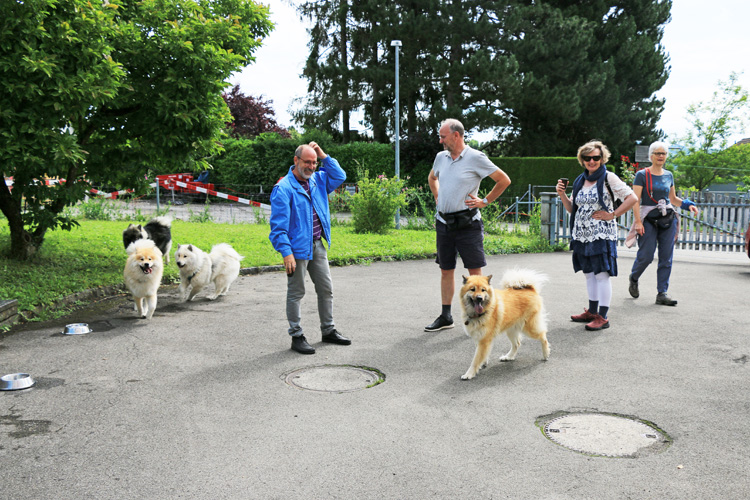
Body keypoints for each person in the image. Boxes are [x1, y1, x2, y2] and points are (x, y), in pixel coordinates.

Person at [424, 118, 512, 332]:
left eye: (443, 136)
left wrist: (485, 201)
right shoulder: (441, 157)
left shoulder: (475, 157)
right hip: (444, 223)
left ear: (456, 135)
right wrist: (438, 197)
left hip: (468, 224)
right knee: (446, 269)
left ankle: (481, 316)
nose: (440, 140)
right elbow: (432, 178)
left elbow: (504, 180)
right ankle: (446, 316)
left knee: (475, 274)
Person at [269, 142, 351, 354]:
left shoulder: (318, 180)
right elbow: (278, 229)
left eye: (314, 162)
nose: (312, 166)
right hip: (296, 250)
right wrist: (286, 253)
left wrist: (324, 155)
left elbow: (340, 176)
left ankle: (328, 330)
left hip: (317, 245)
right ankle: (296, 336)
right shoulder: (283, 189)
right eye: (307, 162)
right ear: (296, 161)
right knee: (296, 292)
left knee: (326, 289)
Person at [556, 140, 638, 331]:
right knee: (589, 274)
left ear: (602, 158)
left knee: (601, 275)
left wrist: (612, 215)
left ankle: (603, 316)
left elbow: (632, 197)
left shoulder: (609, 178)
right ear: (582, 160)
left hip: (601, 233)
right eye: (587, 158)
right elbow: (573, 209)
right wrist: (562, 195)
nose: (592, 161)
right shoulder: (579, 180)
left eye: (596, 157)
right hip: (582, 234)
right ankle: (592, 312)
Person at [626, 141, 699, 306]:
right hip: (648, 219)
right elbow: (635, 200)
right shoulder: (642, 175)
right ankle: (634, 277)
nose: (660, 156)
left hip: (667, 218)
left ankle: (662, 293)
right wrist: (638, 221)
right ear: (651, 156)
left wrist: (688, 205)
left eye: (663, 154)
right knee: (646, 256)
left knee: (666, 257)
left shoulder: (669, 175)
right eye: (657, 153)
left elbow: (673, 199)